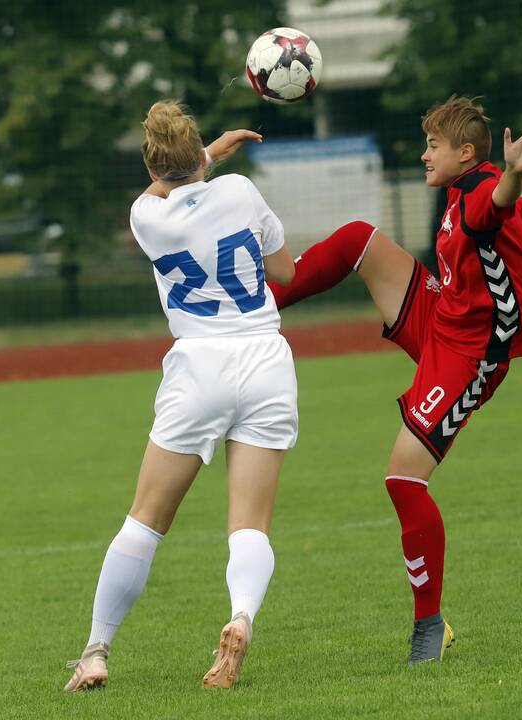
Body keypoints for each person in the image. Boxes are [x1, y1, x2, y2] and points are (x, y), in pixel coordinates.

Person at [266, 96, 522, 664]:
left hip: (473, 354)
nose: (422, 154)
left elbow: (505, 200)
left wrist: (511, 170)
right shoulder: (467, 187)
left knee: (402, 480)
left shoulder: (485, 189)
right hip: (445, 314)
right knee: (359, 239)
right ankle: (259, 306)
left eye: (432, 146)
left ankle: (430, 625)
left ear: (465, 153)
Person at [64, 101, 298, 691]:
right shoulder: (242, 191)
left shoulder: (146, 215)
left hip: (198, 368)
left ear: (152, 162)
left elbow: (164, 187)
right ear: (199, 155)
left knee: (144, 522)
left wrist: (199, 157)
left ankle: (95, 651)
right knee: (250, 526)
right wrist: (212, 159)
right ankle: (241, 616)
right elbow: (287, 272)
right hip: (266, 360)